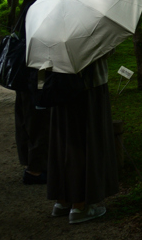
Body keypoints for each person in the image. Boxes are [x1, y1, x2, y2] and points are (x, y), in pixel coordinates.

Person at [45, 55, 120, 223]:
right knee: (85, 141)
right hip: (88, 86)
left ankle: (62, 201)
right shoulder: (89, 27)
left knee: (63, 140)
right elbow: (104, 48)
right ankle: (79, 206)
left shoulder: (49, 28)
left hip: (58, 81)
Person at [14, 0, 56, 185]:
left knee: (26, 117)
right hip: (37, 73)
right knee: (39, 116)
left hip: (23, 73)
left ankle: (30, 163)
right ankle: (35, 170)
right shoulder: (39, 10)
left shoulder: (26, 8)